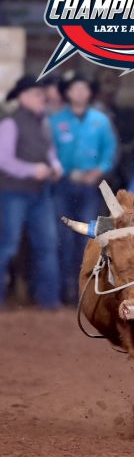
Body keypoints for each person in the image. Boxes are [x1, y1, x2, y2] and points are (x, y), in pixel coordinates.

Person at [51, 72, 117, 304]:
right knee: (62, 238)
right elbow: (50, 152)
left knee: (88, 238)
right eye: (74, 88)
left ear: (90, 92)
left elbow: (109, 151)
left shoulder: (101, 120)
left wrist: (98, 172)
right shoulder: (55, 121)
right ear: (67, 93)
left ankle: (86, 289)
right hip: (62, 184)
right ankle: (64, 290)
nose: (79, 93)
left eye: (83, 88)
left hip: (90, 186)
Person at [0, 76, 62, 310]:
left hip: (39, 191)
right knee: (8, 245)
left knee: (46, 244)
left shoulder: (44, 123)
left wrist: (56, 166)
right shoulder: (10, 123)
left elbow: (51, 152)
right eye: (37, 94)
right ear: (23, 97)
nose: (42, 98)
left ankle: (50, 301)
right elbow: (3, 159)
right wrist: (31, 169)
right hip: (13, 192)